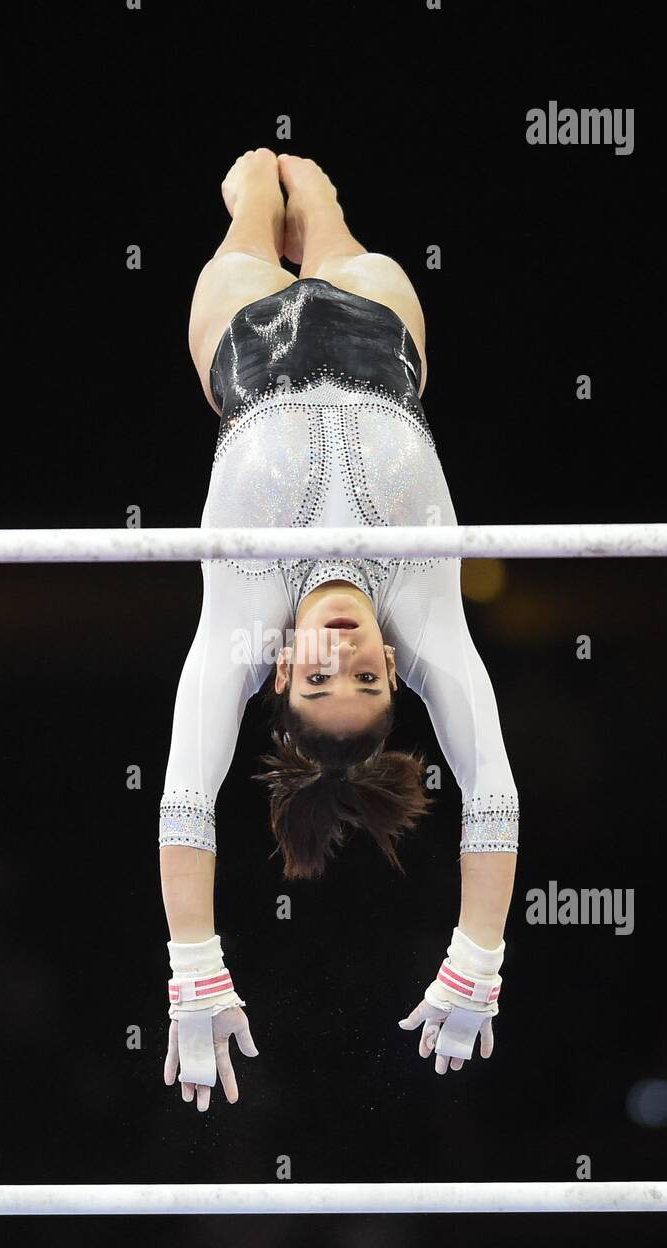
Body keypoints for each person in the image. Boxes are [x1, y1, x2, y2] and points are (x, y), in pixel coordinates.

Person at [160, 150, 520, 1111]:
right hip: (379, 334)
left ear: (279, 672)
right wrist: (476, 955)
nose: (343, 660)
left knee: (249, 185)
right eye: (366, 682)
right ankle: (310, 210)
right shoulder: (427, 615)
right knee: (313, 194)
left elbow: (186, 796)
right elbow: (491, 790)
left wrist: (193, 964)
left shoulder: (240, 623)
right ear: (395, 672)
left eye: (319, 683)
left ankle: (253, 207)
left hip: (247, 346)